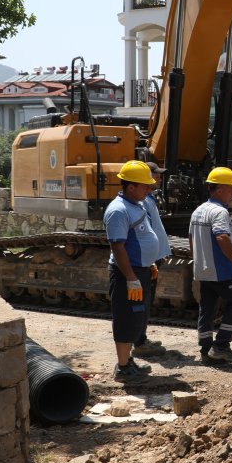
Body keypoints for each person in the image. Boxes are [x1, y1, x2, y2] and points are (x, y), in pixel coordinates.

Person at [104, 160, 162, 382]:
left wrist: (149, 263)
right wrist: (130, 277)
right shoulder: (118, 211)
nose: (149, 188)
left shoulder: (136, 204)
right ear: (130, 187)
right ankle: (122, 367)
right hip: (127, 274)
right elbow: (117, 246)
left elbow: (140, 237)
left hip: (140, 270)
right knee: (126, 318)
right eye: (144, 185)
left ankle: (128, 360)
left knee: (137, 317)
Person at [189, 166, 232, 364]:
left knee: (208, 307)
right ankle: (221, 346)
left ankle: (205, 349)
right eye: (231, 188)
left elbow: (191, 240)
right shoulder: (219, 212)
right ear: (220, 189)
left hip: (204, 269)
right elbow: (221, 236)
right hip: (221, 270)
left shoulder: (198, 211)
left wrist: (198, 261)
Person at [134, 162, 172, 357]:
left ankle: (141, 337)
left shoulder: (149, 199)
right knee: (143, 301)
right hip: (148, 260)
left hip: (154, 258)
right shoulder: (142, 202)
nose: (159, 178)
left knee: (147, 300)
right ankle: (139, 342)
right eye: (156, 175)